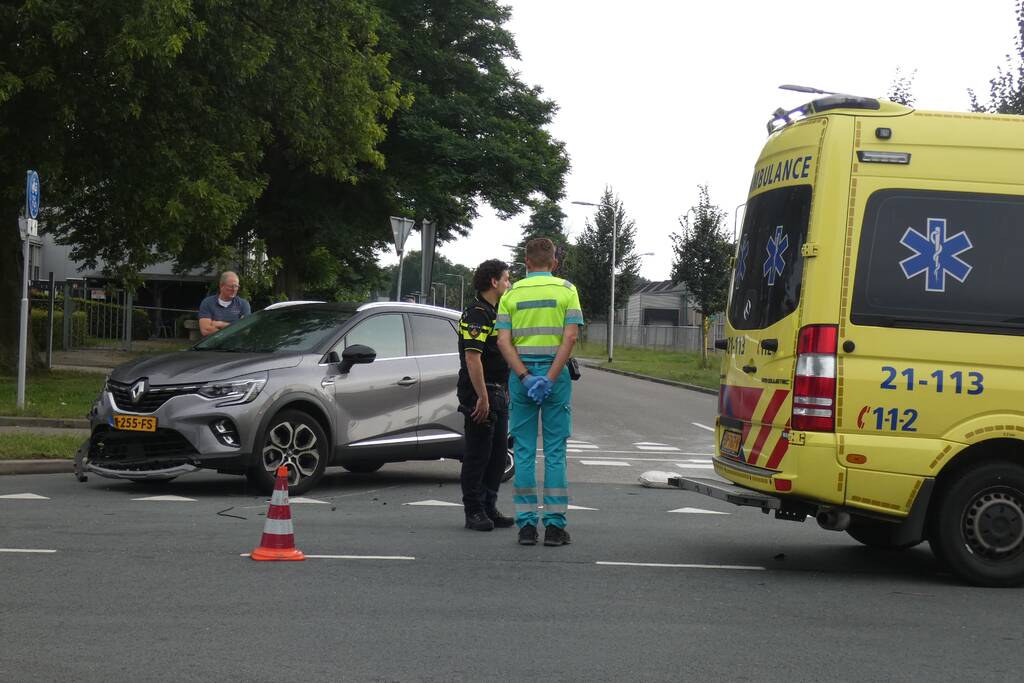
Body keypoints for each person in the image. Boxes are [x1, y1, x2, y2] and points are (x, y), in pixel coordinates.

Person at [496, 238, 584, 546]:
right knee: (555, 452)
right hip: (555, 378)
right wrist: (549, 377)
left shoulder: (511, 294)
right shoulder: (567, 291)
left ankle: (526, 527)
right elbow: (570, 338)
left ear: (526, 263)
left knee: (523, 451)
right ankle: (556, 528)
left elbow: (503, 342)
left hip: (521, 380)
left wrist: (525, 376)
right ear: (555, 262)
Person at [458, 260, 514, 531]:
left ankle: (489, 505)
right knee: (478, 454)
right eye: (506, 279)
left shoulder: (495, 311)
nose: (509, 283)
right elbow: (472, 358)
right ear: (494, 282)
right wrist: (482, 396)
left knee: (497, 454)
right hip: (481, 391)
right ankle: (474, 510)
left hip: (498, 391)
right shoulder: (477, 314)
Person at [198, 271, 251, 336]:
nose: (234, 289)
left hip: (235, 345)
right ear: (221, 286)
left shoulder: (243, 304)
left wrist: (220, 324)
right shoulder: (208, 303)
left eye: (236, 286)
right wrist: (235, 328)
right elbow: (206, 330)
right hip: (213, 345)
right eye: (231, 286)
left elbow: (245, 330)